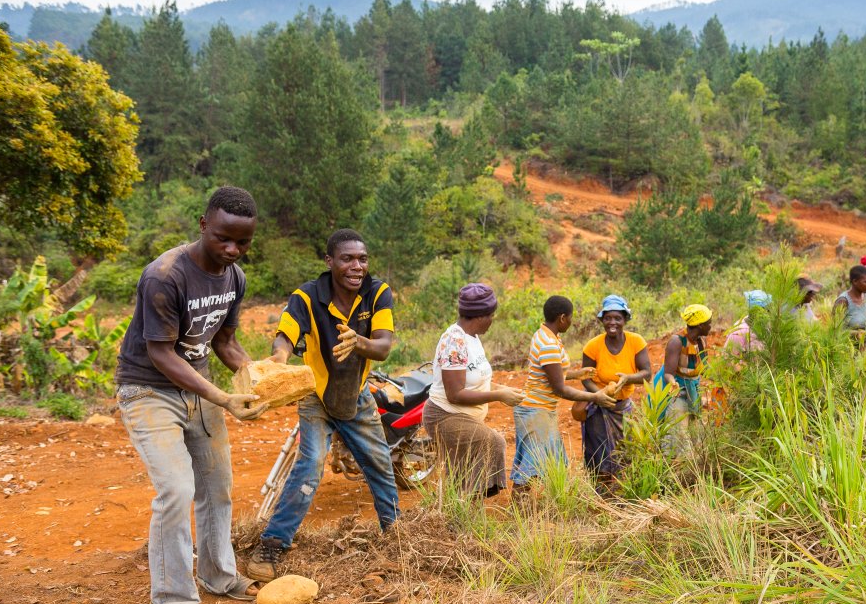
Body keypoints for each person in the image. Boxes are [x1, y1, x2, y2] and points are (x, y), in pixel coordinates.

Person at [114, 187, 268, 604]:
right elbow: (161, 354)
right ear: (203, 225)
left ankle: (219, 575)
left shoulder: (234, 278)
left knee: (217, 487)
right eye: (224, 239)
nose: (233, 250)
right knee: (177, 490)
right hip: (148, 390)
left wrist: (259, 379)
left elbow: (223, 342)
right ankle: (172, 603)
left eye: (243, 243)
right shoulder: (165, 275)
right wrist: (221, 397)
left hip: (197, 388)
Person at [248, 228, 400, 583]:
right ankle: (272, 543)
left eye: (362, 258)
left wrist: (358, 340)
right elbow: (285, 336)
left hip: (357, 396)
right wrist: (279, 361)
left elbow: (382, 347)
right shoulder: (306, 296)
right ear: (329, 261)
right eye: (347, 258)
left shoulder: (377, 293)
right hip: (316, 396)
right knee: (311, 463)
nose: (357, 265)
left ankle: (396, 536)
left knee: (379, 463)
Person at [422, 283, 523, 499]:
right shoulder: (454, 341)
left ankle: (455, 519)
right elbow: (455, 394)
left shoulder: (473, 339)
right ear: (480, 316)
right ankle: (462, 511)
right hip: (445, 415)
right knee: (491, 441)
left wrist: (502, 389)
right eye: (491, 315)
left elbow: (476, 381)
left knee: (461, 474)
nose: (492, 321)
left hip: (464, 416)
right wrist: (498, 396)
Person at [513, 296, 615, 500]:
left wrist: (577, 374)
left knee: (547, 462)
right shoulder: (549, 343)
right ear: (561, 318)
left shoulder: (546, 335)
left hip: (541, 409)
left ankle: (544, 508)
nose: (571, 321)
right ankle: (519, 511)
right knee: (530, 467)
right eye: (570, 318)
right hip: (535, 410)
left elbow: (552, 372)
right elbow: (559, 388)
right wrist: (595, 396)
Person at [579, 295, 651, 492]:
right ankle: (600, 494)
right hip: (598, 406)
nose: (612, 323)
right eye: (608, 318)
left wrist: (627, 378)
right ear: (602, 320)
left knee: (624, 452)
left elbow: (647, 373)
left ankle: (620, 492)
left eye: (617, 318)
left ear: (625, 319)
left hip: (623, 407)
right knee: (599, 452)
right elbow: (586, 378)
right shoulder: (593, 346)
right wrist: (600, 395)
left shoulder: (636, 342)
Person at [658, 304, 713, 441]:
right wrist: (673, 383)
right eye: (709, 323)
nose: (711, 326)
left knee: (695, 430)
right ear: (700, 325)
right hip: (679, 390)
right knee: (679, 433)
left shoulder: (702, 340)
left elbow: (704, 368)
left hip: (694, 389)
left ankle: (694, 460)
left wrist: (721, 376)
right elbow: (668, 373)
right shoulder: (676, 342)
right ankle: (675, 461)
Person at [834, 265, 866, 332]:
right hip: (847, 342)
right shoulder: (843, 301)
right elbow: (836, 330)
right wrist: (856, 334)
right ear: (855, 281)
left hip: (865, 340)